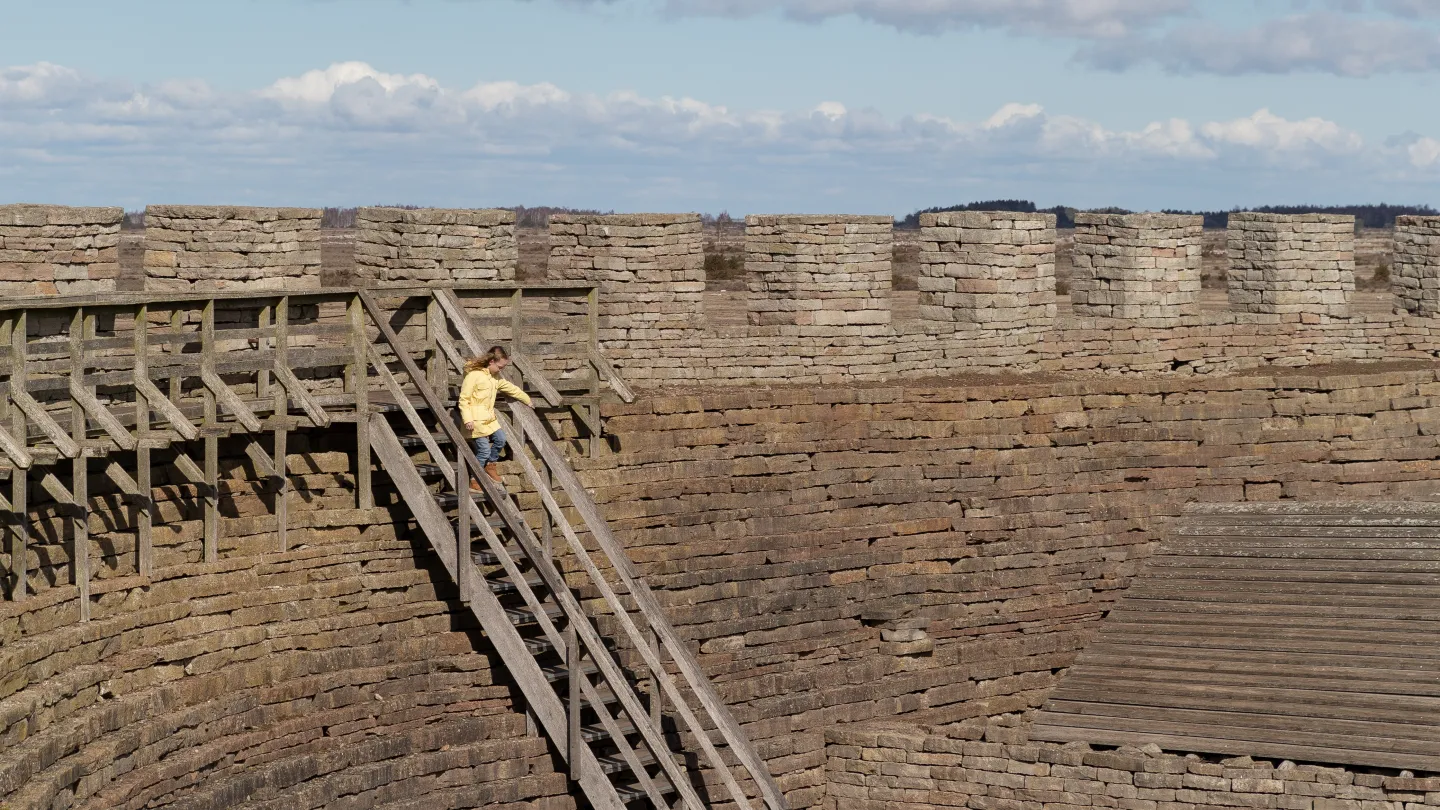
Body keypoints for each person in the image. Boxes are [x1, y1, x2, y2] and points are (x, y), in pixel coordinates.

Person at [458, 346, 533, 489]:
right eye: (500, 367)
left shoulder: (495, 378)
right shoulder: (474, 375)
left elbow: (510, 388)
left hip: (489, 419)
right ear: (492, 361)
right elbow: (464, 399)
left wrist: (526, 399)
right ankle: (474, 480)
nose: (501, 370)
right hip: (476, 421)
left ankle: (490, 465)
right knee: (484, 451)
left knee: (501, 439)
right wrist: (467, 419)